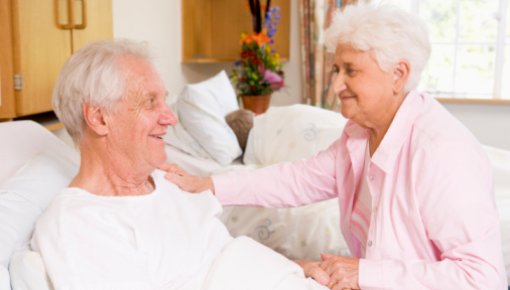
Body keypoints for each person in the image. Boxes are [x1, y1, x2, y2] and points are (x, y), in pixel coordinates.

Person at [165, 3, 508, 289]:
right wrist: (208, 184)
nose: (337, 84)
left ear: (398, 74)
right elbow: (296, 180)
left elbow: (483, 278)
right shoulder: (359, 133)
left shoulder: (440, 151)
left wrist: (364, 273)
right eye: (335, 70)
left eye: (351, 71)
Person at [30, 40, 330, 290]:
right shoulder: (76, 224)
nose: (170, 117)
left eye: (164, 101)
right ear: (98, 118)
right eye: (149, 103)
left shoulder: (169, 183)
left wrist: (291, 267)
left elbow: (220, 256)